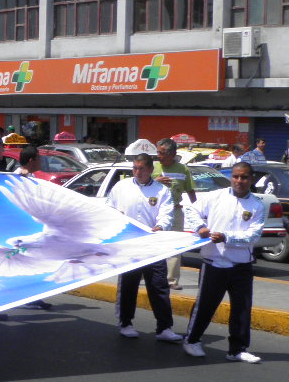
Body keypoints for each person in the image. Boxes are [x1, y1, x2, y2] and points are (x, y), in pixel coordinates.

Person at [180, 162, 266, 363]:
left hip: (241, 264)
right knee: (206, 306)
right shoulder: (215, 197)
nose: (239, 181)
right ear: (231, 177)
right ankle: (191, 340)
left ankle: (237, 349)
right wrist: (201, 227)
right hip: (214, 262)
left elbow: (253, 235)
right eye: (236, 176)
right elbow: (190, 210)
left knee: (242, 307)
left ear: (251, 179)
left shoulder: (257, 205)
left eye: (244, 177)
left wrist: (226, 237)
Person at [105, 153, 179, 341]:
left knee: (159, 286)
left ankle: (164, 328)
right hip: (129, 245)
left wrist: (161, 226)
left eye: (141, 168)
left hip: (153, 245)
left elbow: (167, 214)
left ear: (150, 170)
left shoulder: (161, 191)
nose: (137, 172)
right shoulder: (121, 187)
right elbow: (109, 208)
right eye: (135, 168)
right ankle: (125, 323)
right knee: (128, 286)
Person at [153, 138, 197, 289]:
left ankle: (172, 280)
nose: (158, 155)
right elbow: (141, 185)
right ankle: (149, 276)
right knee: (153, 245)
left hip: (175, 211)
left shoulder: (182, 169)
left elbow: (191, 191)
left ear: (172, 154)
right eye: (158, 152)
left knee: (175, 247)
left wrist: (197, 210)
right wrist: (156, 180)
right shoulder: (152, 167)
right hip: (155, 212)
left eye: (162, 152)